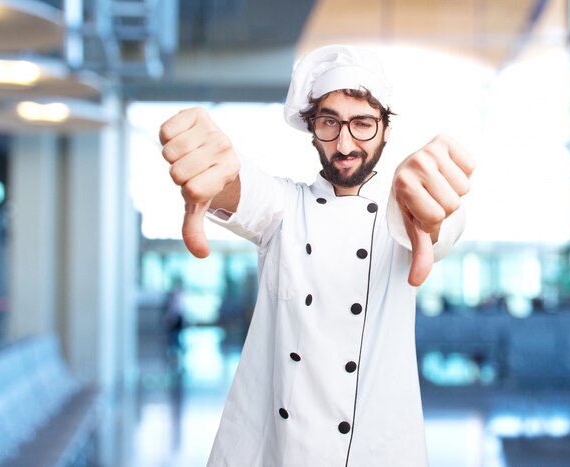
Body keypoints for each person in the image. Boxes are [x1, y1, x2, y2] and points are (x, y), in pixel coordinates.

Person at [159, 45, 474, 467]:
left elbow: (438, 224)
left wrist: (432, 215)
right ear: (312, 130)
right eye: (330, 123)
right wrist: (218, 172)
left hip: (376, 451)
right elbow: (242, 189)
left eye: (362, 123)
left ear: (386, 129)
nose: (345, 143)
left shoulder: (402, 211)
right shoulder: (285, 209)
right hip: (282, 451)